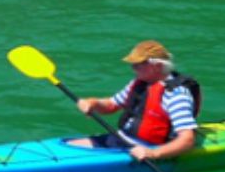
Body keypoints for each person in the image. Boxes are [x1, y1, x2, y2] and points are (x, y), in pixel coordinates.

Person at [68, 40, 200, 162]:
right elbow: (111, 105)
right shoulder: (141, 83)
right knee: (70, 146)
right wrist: (93, 103)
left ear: (157, 66)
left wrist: (154, 153)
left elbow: (187, 140)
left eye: (137, 65)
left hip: (144, 150)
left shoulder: (176, 95)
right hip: (122, 140)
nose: (133, 68)